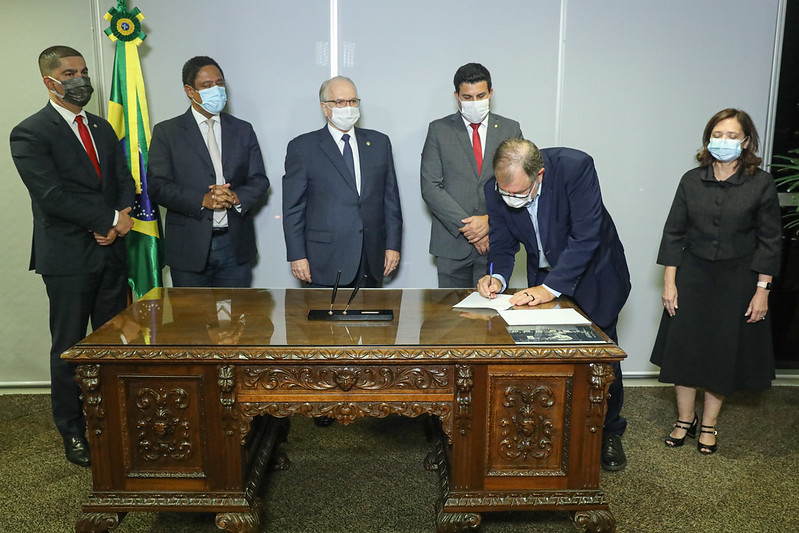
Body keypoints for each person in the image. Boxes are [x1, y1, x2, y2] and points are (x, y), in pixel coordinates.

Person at [10, 45, 136, 467]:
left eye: (83, 71)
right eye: (70, 73)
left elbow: (122, 178)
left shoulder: (100, 127)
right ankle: (73, 430)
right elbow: (51, 195)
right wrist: (105, 219)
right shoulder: (30, 132)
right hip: (67, 258)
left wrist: (121, 219)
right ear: (50, 81)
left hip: (111, 252)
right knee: (69, 346)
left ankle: (115, 421)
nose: (81, 79)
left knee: (111, 345)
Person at [477, 138, 631, 471]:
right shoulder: (497, 188)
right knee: (549, 358)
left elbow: (587, 235)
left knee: (602, 360)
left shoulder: (576, 168)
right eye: (505, 192)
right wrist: (498, 279)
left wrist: (550, 288)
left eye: (518, 193)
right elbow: (502, 245)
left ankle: (609, 431)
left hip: (594, 276)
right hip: (544, 278)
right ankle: (554, 433)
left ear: (540, 176)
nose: (509, 199)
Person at [651, 109, 781, 455]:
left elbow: (770, 240)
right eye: (718, 134)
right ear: (708, 139)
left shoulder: (761, 183)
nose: (724, 141)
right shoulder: (691, 180)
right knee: (685, 351)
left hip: (738, 280)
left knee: (721, 354)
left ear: (746, 141)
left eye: (732, 135)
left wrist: (762, 291)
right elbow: (673, 233)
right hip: (691, 276)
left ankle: (708, 424)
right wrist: (669, 282)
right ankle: (683, 419)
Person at [148, 56, 269, 288]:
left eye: (220, 83)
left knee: (238, 321)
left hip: (234, 246)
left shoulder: (242, 129)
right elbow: (157, 186)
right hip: (189, 248)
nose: (217, 90)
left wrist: (236, 197)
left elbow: (259, 180)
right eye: (207, 85)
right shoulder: (167, 132)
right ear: (189, 91)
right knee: (192, 322)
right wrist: (202, 200)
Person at [282, 76, 402, 288]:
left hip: (371, 258)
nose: (348, 107)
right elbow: (293, 208)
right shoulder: (303, 148)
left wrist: (393, 246)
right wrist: (297, 255)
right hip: (324, 260)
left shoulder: (379, 143)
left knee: (371, 319)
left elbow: (390, 201)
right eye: (340, 102)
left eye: (353, 101)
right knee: (324, 321)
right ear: (325, 108)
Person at [421, 63, 522, 287]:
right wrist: (470, 228)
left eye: (480, 95)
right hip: (452, 243)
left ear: (491, 94)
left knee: (491, 317)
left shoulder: (510, 129)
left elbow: (520, 184)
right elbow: (430, 187)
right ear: (456, 96)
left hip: (497, 241)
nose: (474, 103)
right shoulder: (438, 130)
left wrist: (488, 221)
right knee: (449, 317)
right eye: (467, 97)